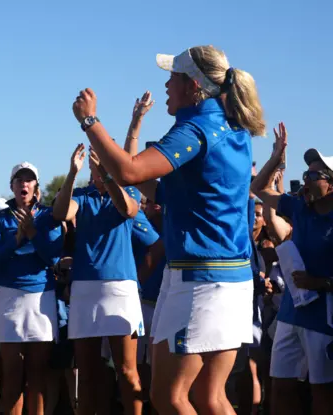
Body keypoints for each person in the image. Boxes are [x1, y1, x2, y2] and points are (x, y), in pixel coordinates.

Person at [72, 45, 265, 414]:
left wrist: (90, 122)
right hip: (227, 278)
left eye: (172, 77)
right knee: (210, 398)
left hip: (200, 279)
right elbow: (157, 187)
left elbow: (130, 171)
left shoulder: (195, 128)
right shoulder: (232, 127)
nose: (166, 84)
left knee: (169, 397)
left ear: (192, 85)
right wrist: (117, 165)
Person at [53, 144, 143, 415]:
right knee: (88, 372)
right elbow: (60, 213)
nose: (100, 164)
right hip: (84, 289)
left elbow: (127, 210)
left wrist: (107, 176)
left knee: (127, 371)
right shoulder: (82, 195)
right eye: (97, 160)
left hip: (121, 288)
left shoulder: (129, 190)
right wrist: (71, 173)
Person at [251, 124, 333, 415]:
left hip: (324, 321)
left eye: (313, 176)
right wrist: (276, 157)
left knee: (322, 392)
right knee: (281, 387)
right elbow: (258, 189)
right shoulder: (300, 207)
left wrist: (321, 283)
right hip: (289, 314)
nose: (306, 181)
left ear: (331, 185)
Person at [0, 162, 63, 415]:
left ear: (35, 186)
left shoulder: (48, 216)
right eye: (19, 179)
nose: (24, 183)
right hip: (9, 298)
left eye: (29, 179)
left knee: (37, 375)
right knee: (11, 375)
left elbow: (53, 257)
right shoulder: (0, 218)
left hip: (41, 297)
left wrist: (32, 233)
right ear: (12, 185)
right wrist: (17, 238)